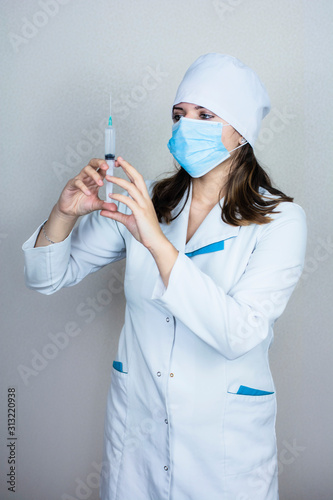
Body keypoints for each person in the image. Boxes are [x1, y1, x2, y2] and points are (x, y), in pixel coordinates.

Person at [22, 53, 307, 500]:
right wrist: (64, 213)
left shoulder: (281, 221)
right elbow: (47, 278)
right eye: (179, 115)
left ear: (241, 132)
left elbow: (237, 333)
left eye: (205, 115)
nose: (185, 126)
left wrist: (156, 241)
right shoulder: (152, 202)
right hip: (139, 434)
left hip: (223, 450)